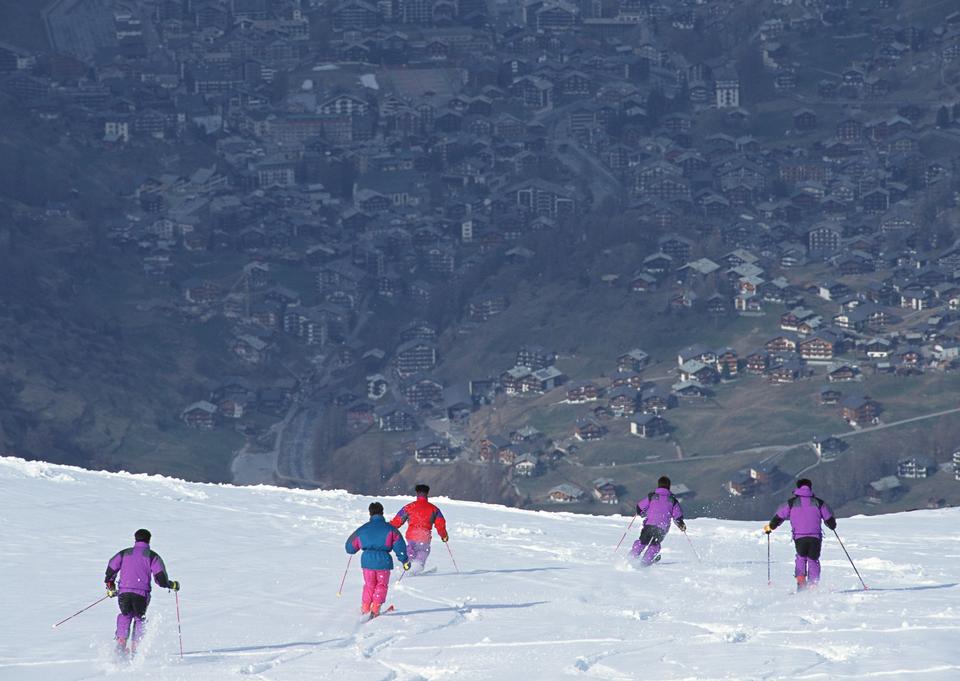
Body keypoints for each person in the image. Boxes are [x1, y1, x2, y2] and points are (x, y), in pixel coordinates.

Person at [104, 529, 179, 654]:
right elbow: (161, 579)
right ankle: (135, 649)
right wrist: (172, 584)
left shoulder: (124, 553)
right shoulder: (152, 556)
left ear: (135, 539)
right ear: (149, 540)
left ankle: (121, 644)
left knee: (125, 615)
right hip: (141, 594)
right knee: (139, 618)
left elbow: (111, 568)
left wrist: (111, 586)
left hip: (124, 592)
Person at [764, 478, 837, 590]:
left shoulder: (791, 503)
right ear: (810, 488)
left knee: (801, 558)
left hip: (800, 537)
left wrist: (771, 527)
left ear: (798, 488)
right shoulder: (818, 502)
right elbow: (830, 520)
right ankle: (813, 585)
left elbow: (779, 517)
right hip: (815, 537)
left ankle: (801, 583)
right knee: (813, 560)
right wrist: (832, 525)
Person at [346, 502, 409, 618]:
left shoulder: (363, 529)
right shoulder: (390, 529)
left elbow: (350, 547)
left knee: (369, 585)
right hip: (383, 562)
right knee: (381, 585)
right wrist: (405, 560)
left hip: (367, 563)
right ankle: (375, 609)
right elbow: (400, 546)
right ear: (382, 512)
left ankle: (365, 608)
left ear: (370, 513)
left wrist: (353, 549)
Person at [389, 484, 449, 574]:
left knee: (410, 551)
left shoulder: (409, 507)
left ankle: (406, 568)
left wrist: (387, 529)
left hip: (411, 536)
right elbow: (440, 525)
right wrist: (444, 536)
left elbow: (397, 521)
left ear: (417, 493)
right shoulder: (434, 509)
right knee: (422, 552)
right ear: (427, 494)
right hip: (424, 536)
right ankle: (416, 568)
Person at [629, 476, 686, 567]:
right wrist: (681, 525)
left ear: (659, 485)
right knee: (655, 545)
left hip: (649, 525)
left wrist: (639, 512)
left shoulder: (652, 496)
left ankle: (631, 557)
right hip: (661, 528)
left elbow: (639, 507)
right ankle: (645, 562)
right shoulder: (672, 500)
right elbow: (678, 517)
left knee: (642, 541)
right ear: (669, 486)